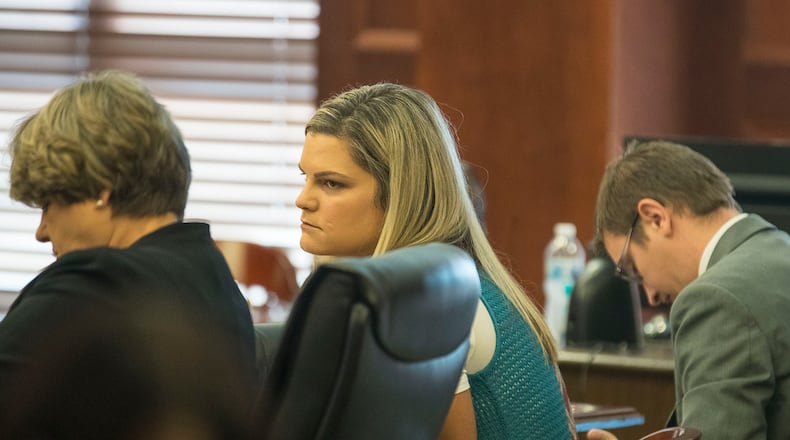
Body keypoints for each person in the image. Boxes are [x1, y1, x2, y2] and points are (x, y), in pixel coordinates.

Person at [294, 83, 575, 440]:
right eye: (305, 178)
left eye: (332, 184)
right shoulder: (449, 279)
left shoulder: (428, 302)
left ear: (400, 194)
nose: (303, 200)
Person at [0, 70, 257, 434]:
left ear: (100, 190)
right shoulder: (217, 282)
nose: (41, 232)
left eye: (48, 204)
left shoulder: (93, 283)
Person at [588, 140, 790, 440]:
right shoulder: (780, 249)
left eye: (632, 268)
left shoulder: (715, 298)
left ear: (655, 218)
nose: (650, 295)